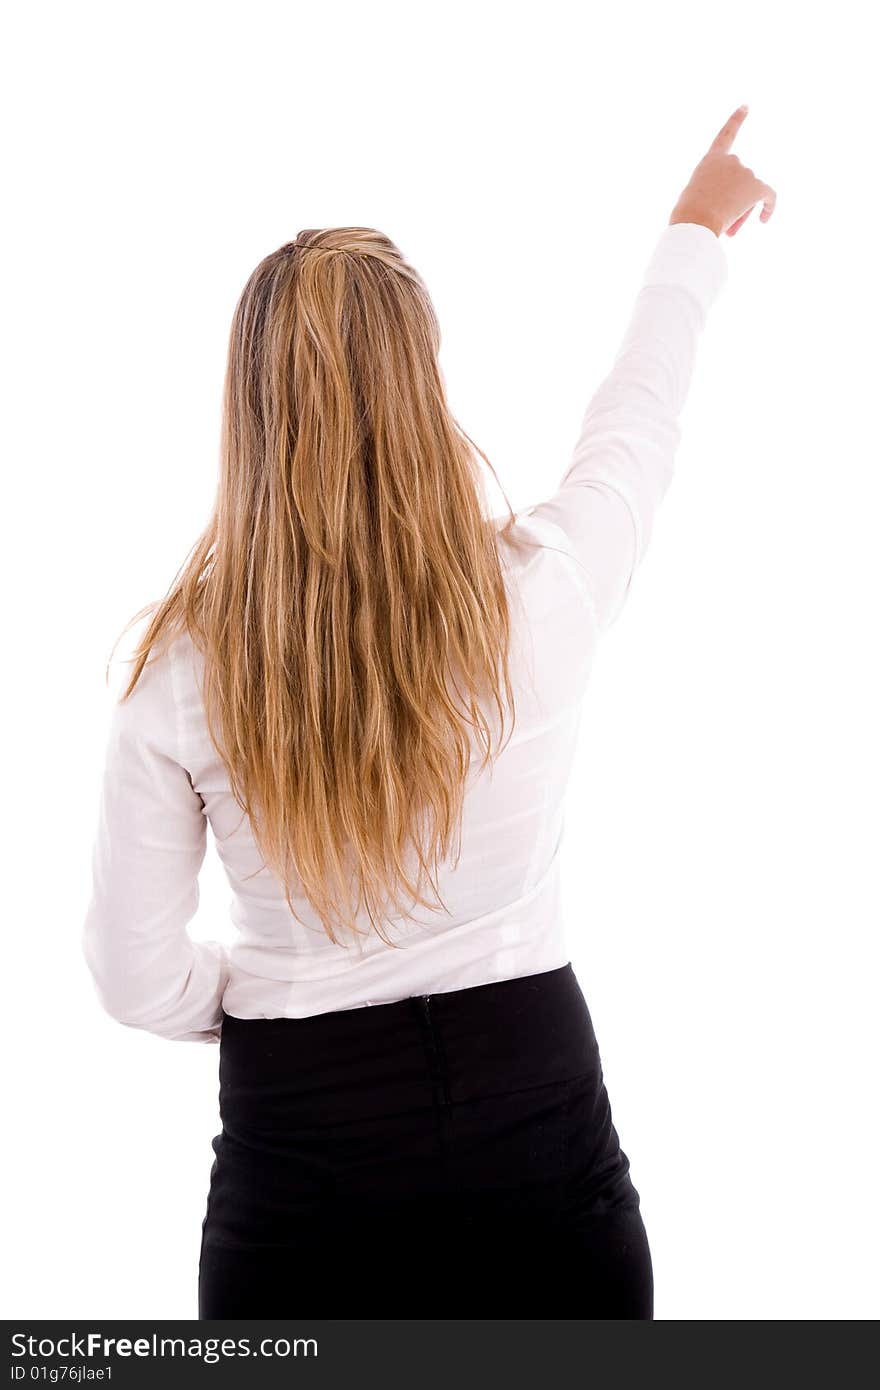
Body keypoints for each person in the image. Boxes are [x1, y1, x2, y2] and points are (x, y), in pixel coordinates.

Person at [81, 105, 775, 1320]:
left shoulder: (179, 673)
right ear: (424, 382)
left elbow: (134, 978)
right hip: (541, 1142)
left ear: (248, 409)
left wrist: (279, 1004)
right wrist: (692, 230)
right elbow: (637, 422)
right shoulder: (542, 594)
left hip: (300, 1171)